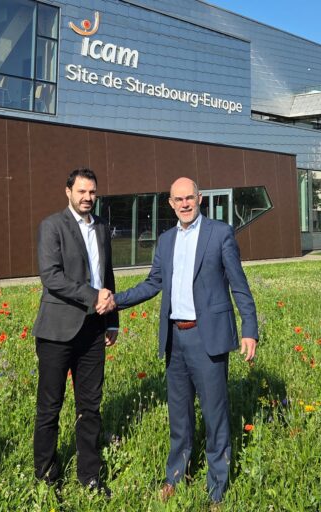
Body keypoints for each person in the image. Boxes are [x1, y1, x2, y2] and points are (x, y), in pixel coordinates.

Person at [109, 177, 258, 505]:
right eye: (179, 199)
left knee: (215, 416)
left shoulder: (219, 233)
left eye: (190, 197)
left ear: (200, 199)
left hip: (209, 339)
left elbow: (239, 284)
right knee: (179, 416)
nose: (185, 203)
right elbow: (153, 283)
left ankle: (217, 489)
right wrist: (115, 300)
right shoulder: (165, 240)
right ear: (171, 203)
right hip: (174, 340)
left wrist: (249, 328)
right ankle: (176, 476)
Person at [31, 168, 118, 497]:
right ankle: (46, 476)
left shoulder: (101, 228)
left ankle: (90, 476)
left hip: (94, 331)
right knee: (50, 408)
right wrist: (91, 295)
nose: (87, 198)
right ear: (68, 191)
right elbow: (50, 276)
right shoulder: (52, 226)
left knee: (90, 407)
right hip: (57, 332)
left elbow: (107, 275)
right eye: (81, 191)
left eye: (92, 192)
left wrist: (112, 319)